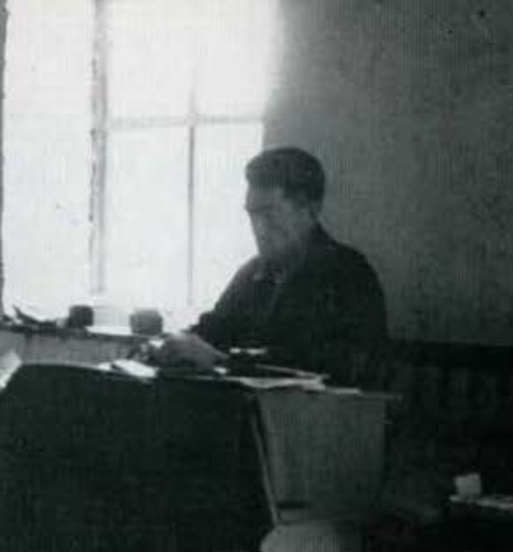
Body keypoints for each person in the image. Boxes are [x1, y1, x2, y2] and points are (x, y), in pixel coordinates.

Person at [155, 147, 388, 384]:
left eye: (268, 214)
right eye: (252, 215)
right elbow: (213, 330)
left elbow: (340, 366)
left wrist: (222, 362)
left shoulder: (348, 274)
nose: (258, 228)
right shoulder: (250, 274)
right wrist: (175, 345)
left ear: (310, 209)